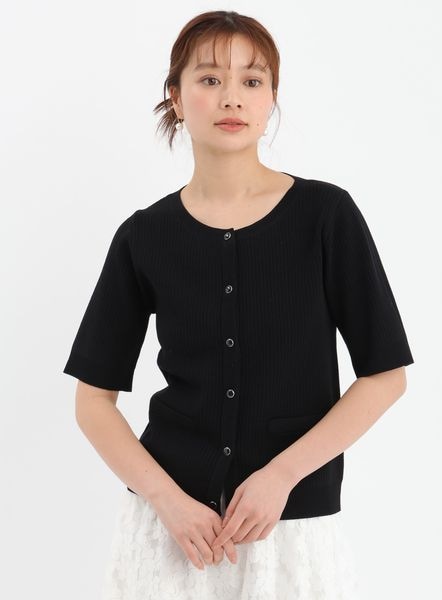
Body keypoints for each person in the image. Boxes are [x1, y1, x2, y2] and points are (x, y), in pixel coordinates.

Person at [63, 10, 414, 600]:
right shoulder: (144, 236)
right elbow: (92, 401)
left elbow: (386, 376)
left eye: (252, 80)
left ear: (272, 98)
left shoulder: (326, 216)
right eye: (209, 79)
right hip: (172, 533)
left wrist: (282, 475)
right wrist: (167, 500)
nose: (232, 97)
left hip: (290, 526)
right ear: (176, 98)